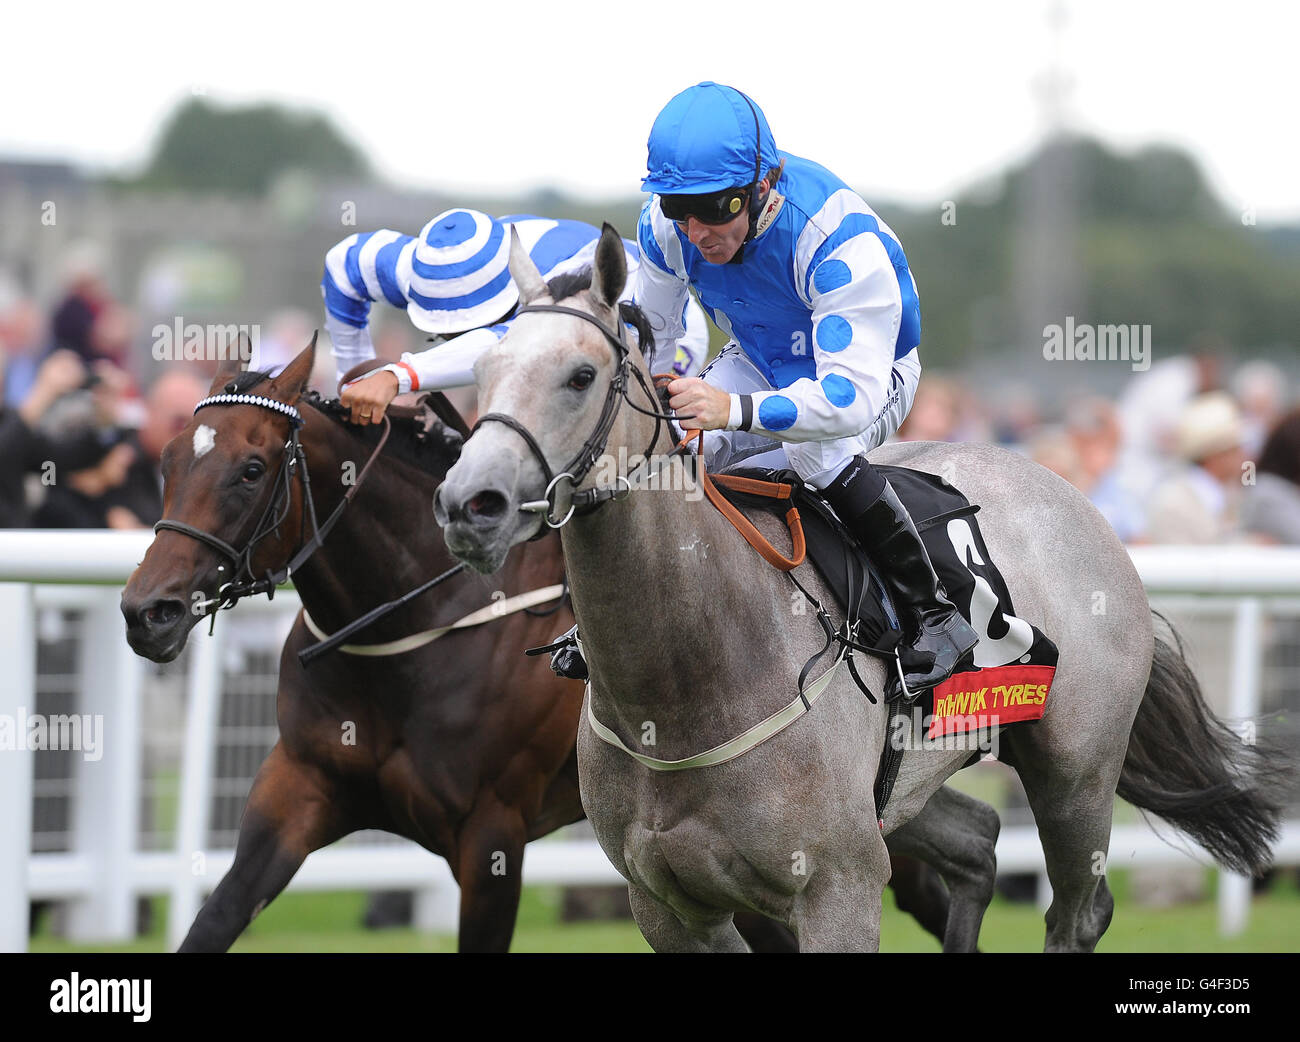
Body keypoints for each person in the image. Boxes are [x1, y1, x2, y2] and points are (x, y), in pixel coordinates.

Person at [631, 81, 977, 693]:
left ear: (763, 184)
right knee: (665, 451)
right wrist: (659, 409)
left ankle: (935, 613)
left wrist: (729, 408)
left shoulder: (839, 244)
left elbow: (845, 403)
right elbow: (651, 337)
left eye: (716, 209)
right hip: (761, 358)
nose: (695, 231)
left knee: (811, 450)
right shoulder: (669, 232)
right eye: (676, 208)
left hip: (867, 378)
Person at [317, 209, 709, 425]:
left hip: (665, 331)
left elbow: (507, 346)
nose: (456, 341)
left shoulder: (551, 279)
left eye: (465, 331)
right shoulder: (413, 265)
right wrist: (352, 386)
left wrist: (394, 377)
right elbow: (340, 267)